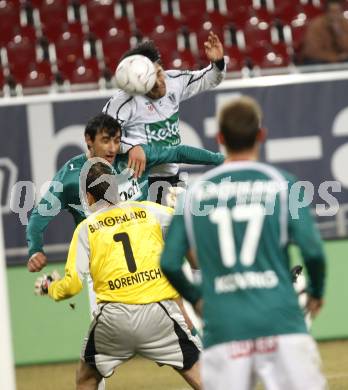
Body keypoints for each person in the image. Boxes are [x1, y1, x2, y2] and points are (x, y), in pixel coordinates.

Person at [160, 96, 327, 390]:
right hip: (282, 321)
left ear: (220, 138)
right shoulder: (284, 183)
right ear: (261, 134)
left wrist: (196, 297)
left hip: (224, 326)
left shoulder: (193, 195)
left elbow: (170, 262)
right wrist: (315, 291)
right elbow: (313, 251)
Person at [34, 162, 202, 390]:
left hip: (113, 319)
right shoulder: (149, 211)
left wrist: (51, 288)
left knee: (86, 379)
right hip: (159, 313)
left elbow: (72, 286)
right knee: (201, 376)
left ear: (88, 196)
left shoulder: (85, 229)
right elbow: (186, 225)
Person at [27, 113, 224, 273]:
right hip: (106, 269)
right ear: (88, 140)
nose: (112, 148)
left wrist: (221, 160)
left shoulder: (134, 156)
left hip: (148, 257)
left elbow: (178, 152)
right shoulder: (70, 178)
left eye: (116, 140)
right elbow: (38, 217)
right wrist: (35, 251)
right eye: (105, 141)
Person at [103, 32, 225, 202]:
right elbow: (102, 135)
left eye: (159, 73)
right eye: (152, 81)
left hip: (170, 178)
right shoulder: (123, 100)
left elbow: (209, 79)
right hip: (136, 182)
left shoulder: (175, 80)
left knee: (178, 224)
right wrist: (131, 146)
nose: (160, 82)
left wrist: (218, 62)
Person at [301, 0, 348, 64]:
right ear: (327, 12)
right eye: (333, 11)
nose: (335, 14)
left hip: (341, 58)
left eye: (338, 11)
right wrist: (336, 57)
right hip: (321, 60)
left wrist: (339, 32)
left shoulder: (345, 23)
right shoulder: (316, 25)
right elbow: (312, 51)